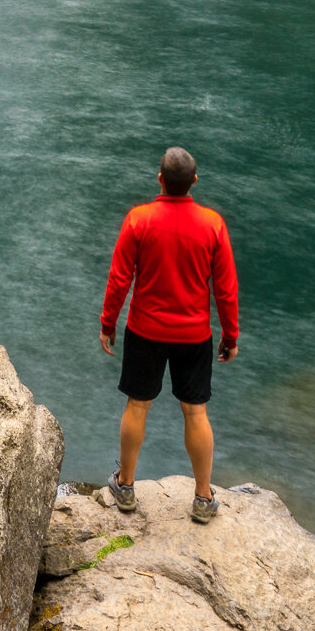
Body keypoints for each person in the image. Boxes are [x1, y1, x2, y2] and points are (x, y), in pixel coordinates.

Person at [99, 146, 239, 523]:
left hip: (145, 329)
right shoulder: (213, 225)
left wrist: (108, 322)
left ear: (159, 179)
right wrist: (230, 335)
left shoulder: (138, 220)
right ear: (194, 181)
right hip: (194, 335)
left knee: (137, 405)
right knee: (195, 412)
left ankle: (125, 486)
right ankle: (203, 497)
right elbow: (225, 289)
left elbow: (119, 278)